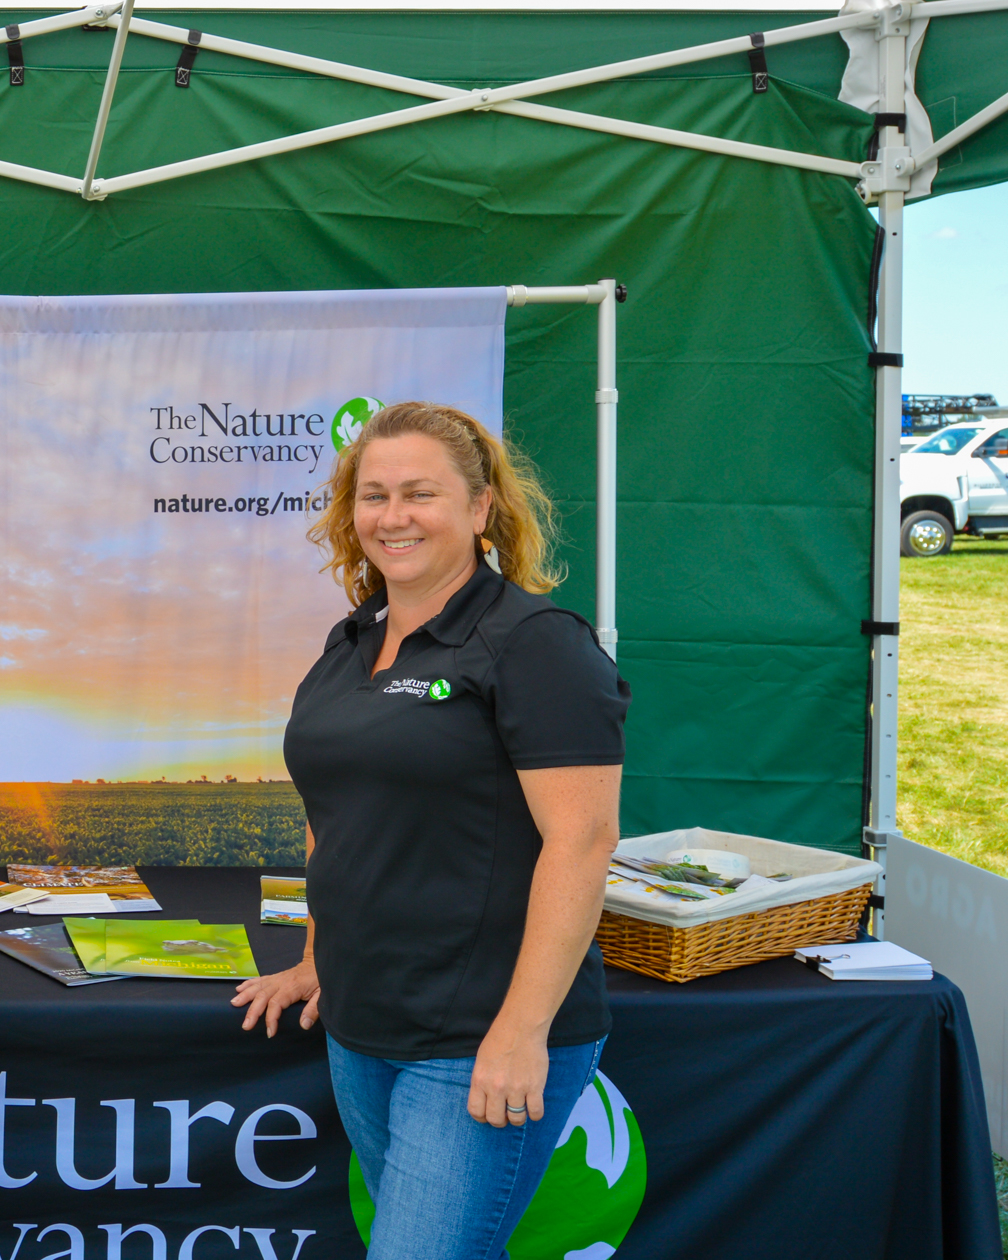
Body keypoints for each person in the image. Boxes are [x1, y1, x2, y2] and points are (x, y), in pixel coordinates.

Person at [232, 401, 629, 1260]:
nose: (392, 516)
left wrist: (521, 1033)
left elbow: (583, 842)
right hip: (363, 1024)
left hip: (478, 1033)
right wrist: (313, 959)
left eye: (420, 493)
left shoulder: (534, 645)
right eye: (372, 495)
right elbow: (333, 819)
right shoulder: (351, 643)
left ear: (481, 508)